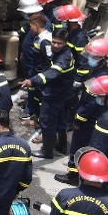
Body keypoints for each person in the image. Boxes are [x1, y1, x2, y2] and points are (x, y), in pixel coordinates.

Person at [60, 37, 108, 184]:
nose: (90, 58)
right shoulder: (101, 70)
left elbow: (92, 102)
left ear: (103, 58)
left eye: (94, 56)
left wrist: (79, 117)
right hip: (93, 115)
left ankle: (73, 175)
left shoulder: (101, 76)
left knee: (77, 144)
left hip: (89, 117)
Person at [23, 22, 74, 159]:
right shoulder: (61, 52)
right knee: (60, 120)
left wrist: (33, 81)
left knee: (47, 122)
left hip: (55, 95)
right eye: (54, 42)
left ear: (65, 43)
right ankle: (61, 146)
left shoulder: (64, 57)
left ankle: (47, 151)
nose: (55, 45)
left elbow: (52, 73)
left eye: (59, 43)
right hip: (62, 93)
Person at [18, 7, 51, 125]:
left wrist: (40, 75)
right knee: (36, 93)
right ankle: (35, 115)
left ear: (36, 25)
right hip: (36, 70)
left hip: (41, 73)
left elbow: (49, 61)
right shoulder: (39, 37)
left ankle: (39, 119)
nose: (30, 29)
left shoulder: (45, 41)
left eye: (31, 26)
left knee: (40, 96)